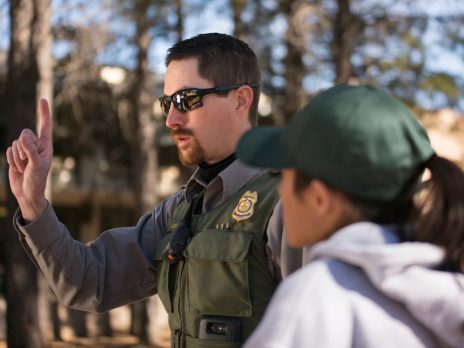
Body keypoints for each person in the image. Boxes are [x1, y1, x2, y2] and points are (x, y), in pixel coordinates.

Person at [5, 33, 304, 347]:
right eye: (166, 103)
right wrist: (33, 202)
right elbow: (87, 282)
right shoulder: (180, 211)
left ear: (241, 100)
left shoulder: (288, 203)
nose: (171, 119)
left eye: (187, 99)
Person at [236, 84, 464, 348]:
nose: (280, 190)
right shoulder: (448, 285)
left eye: (285, 176)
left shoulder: (317, 296)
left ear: (319, 198)